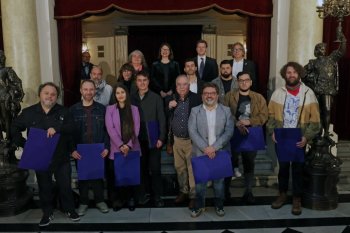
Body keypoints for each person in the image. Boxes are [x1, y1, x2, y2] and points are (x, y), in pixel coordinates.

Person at [11, 82, 80, 227]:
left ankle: (70, 210)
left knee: (65, 185)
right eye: (46, 93)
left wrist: (57, 128)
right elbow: (14, 127)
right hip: (39, 156)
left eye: (53, 94)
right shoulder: (29, 112)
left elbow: (72, 128)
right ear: (40, 95)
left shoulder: (64, 111)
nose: (50, 96)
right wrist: (25, 145)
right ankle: (47, 213)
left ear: (56, 97)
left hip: (61, 156)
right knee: (44, 186)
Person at [267, 62, 321, 215]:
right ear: (285, 74)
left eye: (294, 72)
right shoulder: (278, 93)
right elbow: (270, 114)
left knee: (298, 169)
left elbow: (315, 121)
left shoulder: (308, 93)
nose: (291, 75)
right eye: (289, 72)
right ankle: (282, 194)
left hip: (299, 137)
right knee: (283, 168)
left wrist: (307, 137)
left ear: (299, 74)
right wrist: (272, 131)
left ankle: (297, 198)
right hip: (282, 136)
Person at [188, 82, 234, 217]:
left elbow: (229, 131)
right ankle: (199, 206)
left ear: (217, 95)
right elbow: (192, 131)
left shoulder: (226, 110)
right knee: (200, 183)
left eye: (212, 93)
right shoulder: (195, 111)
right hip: (200, 153)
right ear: (202, 95)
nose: (209, 96)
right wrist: (205, 148)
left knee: (219, 183)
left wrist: (214, 147)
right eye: (206, 93)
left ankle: (219, 206)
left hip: (219, 152)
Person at [223, 71, 268, 204]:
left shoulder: (258, 98)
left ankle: (248, 192)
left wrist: (250, 121)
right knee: (229, 162)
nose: (244, 82)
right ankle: (225, 191)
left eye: (246, 80)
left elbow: (264, 115)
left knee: (249, 163)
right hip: (233, 133)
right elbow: (224, 113)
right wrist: (235, 122)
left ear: (251, 82)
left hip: (251, 134)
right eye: (241, 80)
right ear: (237, 82)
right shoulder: (229, 96)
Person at [69, 80, 110, 216]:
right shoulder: (73, 110)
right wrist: (72, 149)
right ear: (81, 91)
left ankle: (100, 201)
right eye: (85, 89)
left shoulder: (102, 109)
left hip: (98, 148)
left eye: (91, 89)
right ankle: (83, 203)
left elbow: (107, 130)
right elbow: (69, 132)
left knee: (98, 176)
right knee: (83, 178)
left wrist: (106, 146)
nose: (88, 92)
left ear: (94, 91)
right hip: (80, 149)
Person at [131, 71, 166, 207]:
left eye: (144, 80)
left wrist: (161, 138)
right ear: (136, 82)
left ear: (148, 81)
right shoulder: (131, 98)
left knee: (155, 169)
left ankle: (157, 196)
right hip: (137, 140)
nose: (142, 83)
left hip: (153, 137)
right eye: (139, 80)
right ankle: (142, 195)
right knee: (140, 169)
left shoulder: (156, 98)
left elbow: (162, 119)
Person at [303, 32, 346, 142]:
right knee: (318, 112)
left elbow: (341, 51)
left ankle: (326, 132)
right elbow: (303, 74)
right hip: (317, 89)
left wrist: (343, 41)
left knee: (327, 110)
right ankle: (318, 131)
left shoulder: (330, 59)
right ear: (317, 51)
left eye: (323, 48)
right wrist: (311, 82)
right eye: (321, 48)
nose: (323, 50)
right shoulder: (313, 62)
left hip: (327, 89)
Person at [167, 75, 202, 209]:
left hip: (191, 141)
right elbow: (167, 119)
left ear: (189, 85)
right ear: (176, 86)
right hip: (176, 140)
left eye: (185, 84)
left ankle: (193, 196)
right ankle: (184, 191)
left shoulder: (196, 98)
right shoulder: (171, 99)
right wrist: (169, 106)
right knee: (179, 168)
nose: (182, 87)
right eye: (179, 84)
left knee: (192, 169)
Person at [105, 83, 141, 212]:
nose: (120, 95)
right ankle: (117, 200)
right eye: (117, 93)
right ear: (115, 95)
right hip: (116, 148)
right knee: (116, 175)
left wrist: (128, 145)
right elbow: (110, 129)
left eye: (122, 92)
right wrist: (121, 145)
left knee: (130, 174)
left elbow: (136, 129)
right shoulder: (110, 109)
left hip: (132, 147)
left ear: (127, 93)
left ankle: (131, 199)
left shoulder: (134, 109)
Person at [0, 50, 24, 140]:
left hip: (4, 97)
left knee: (6, 118)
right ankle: (1, 140)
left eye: (2, 57)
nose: (2, 59)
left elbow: (17, 82)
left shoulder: (7, 70)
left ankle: (8, 138)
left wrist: (19, 92)